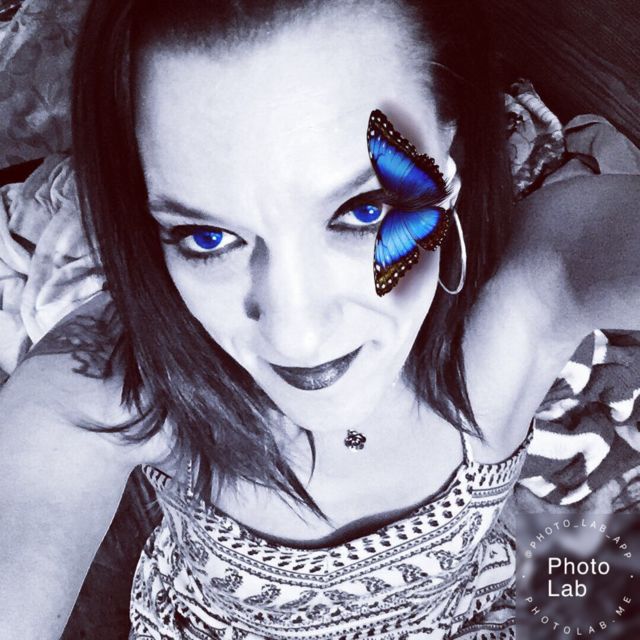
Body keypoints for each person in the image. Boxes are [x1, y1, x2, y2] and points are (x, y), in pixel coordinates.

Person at [0, 0, 638, 638]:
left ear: (453, 139)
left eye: (364, 209)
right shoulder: (112, 380)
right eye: (206, 238)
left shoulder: (533, 286)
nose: (296, 336)